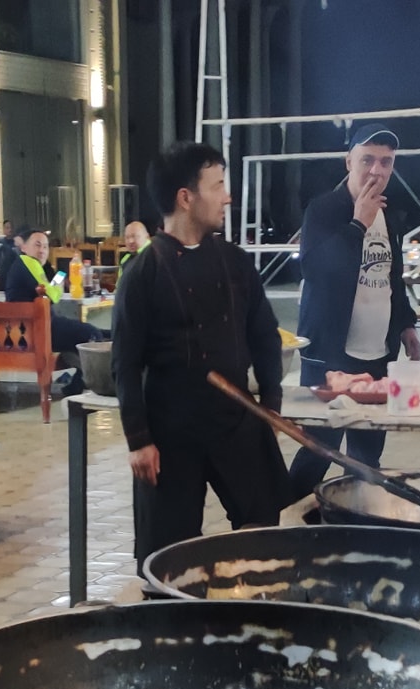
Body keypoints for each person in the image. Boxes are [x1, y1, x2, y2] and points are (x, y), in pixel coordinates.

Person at [112, 142, 290, 562]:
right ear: (185, 197)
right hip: (170, 432)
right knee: (165, 556)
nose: (228, 197)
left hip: (235, 418)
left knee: (266, 532)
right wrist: (138, 439)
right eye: (218, 185)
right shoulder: (142, 273)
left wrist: (271, 403)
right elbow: (126, 362)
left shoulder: (236, 262)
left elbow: (265, 336)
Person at [286, 122, 420, 500]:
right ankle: (283, 514)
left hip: (378, 354)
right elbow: (315, 271)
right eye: (367, 160)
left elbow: (391, 277)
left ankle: (356, 516)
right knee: (318, 448)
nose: (376, 170)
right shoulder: (323, 210)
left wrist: (406, 323)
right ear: (349, 162)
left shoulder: (390, 214)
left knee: (367, 453)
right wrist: (358, 223)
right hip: (330, 355)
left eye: (386, 162)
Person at [4, 228, 103, 361]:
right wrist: (58, 287)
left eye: (45, 247)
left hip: (24, 328)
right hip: (34, 330)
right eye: (37, 245)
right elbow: (52, 296)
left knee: (94, 332)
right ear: (24, 248)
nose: (42, 250)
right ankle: (88, 374)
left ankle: (74, 371)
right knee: (92, 334)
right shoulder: (29, 262)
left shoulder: (22, 264)